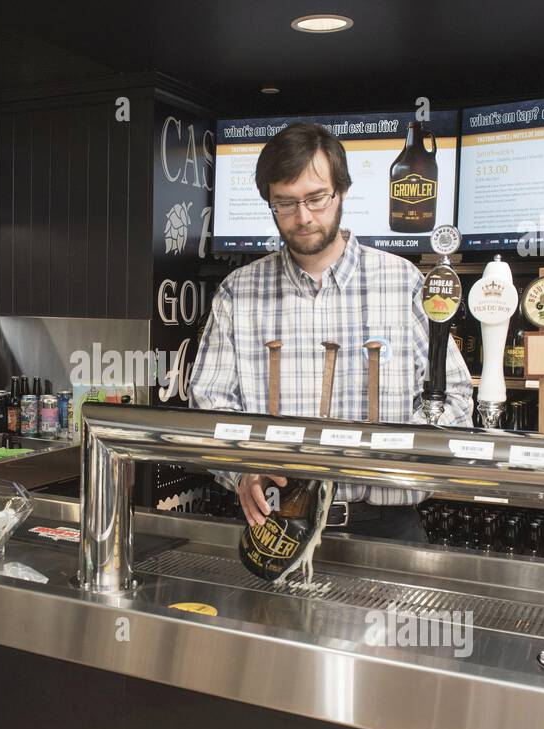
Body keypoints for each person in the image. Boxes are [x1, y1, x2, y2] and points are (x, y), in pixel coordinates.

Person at [189, 122, 473, 542]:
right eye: (284, 203)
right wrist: (242, 469)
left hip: (386, 529)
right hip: (274, 524)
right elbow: (209, 406)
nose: (302, 217)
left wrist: (395, 459)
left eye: (316, 198)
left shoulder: (402, 282)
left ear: (341, 189)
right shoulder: (239, 292)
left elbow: (455, 400)